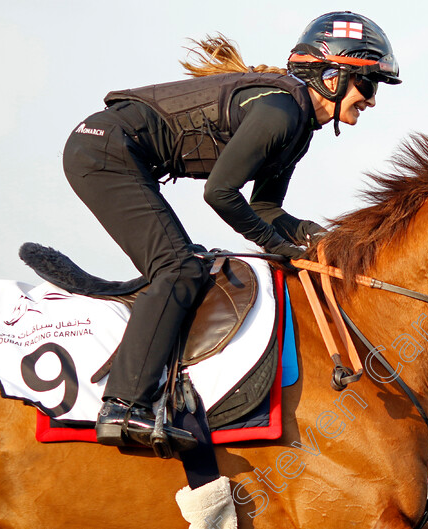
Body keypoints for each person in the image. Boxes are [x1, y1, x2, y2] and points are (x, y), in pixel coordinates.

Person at [61, 11, 401, 452]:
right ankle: (123, 405)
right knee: (179, 270)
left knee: (185, 267)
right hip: (103, 150)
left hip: (117, 152)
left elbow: (264, 207)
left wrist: (320, 237)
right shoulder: (280, 113)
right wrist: (276, 245)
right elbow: (220, 193)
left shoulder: (298, 125)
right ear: (332, 77)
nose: (371, 101)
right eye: (368, 86)